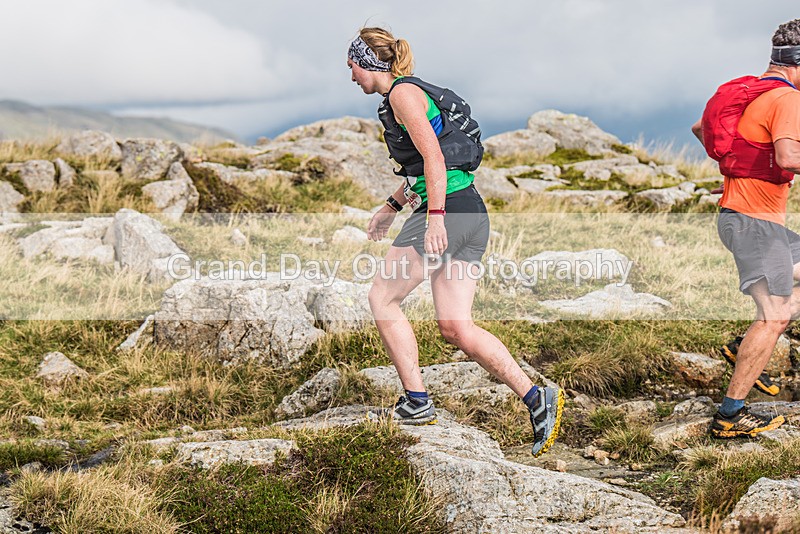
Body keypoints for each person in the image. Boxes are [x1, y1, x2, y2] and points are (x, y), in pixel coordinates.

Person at [347, 26, 563, 456]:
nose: (350, 76)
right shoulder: (407, 95)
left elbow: (434, 158)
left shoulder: (401, 96)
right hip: (470, 211)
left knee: (382, 298)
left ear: (368, 62)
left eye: (351, 65)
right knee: (455, 326)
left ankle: (417, 401)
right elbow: (428, 170)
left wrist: (435, 220)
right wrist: (391, 205)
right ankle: (536, 399)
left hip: (448, 213)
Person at [691, 18, 800, 438]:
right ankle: (729, 416)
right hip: (755, 224)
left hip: (744, 219)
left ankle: (743, 349)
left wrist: (737, 163)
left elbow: (701, 129)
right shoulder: (788, 99)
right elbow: (789, 157)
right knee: (774, 317)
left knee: (774, 314)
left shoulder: (752, 91)